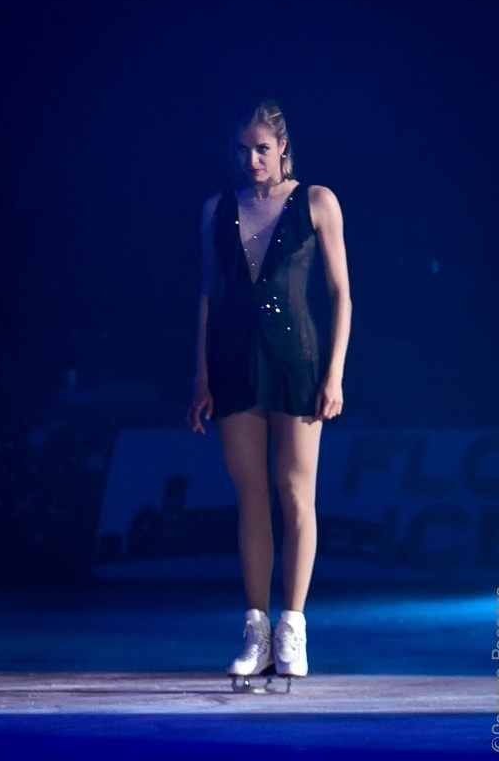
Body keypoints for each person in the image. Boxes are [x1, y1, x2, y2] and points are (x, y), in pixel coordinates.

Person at [186, 100, 352, 680]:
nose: (252, 158)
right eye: (243, 149)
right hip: (233, 361)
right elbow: (210, 297)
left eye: (262, 147)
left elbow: (342, 295)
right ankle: (256, 629)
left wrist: (334, 374)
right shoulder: (217, 209)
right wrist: (201, 376)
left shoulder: (317, 202)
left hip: (297, 360)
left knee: (293, 490)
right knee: (251, 493)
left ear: (282, 146)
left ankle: (293, 627)